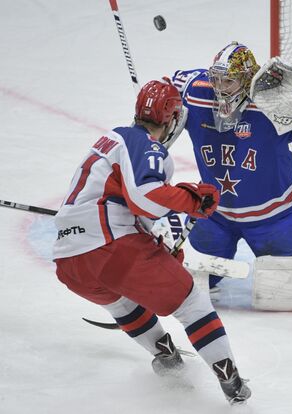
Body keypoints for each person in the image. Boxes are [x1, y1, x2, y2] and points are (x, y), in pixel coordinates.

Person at [52, 79, 251, 405]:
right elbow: (146, 199)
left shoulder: (110, 140)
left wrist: (159, 248)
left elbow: (134, 209)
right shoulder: (144, 144)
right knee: (192, 304)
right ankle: (229, 376)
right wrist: (190, 199)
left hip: (69, 261)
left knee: (121, 302)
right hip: (110, 247)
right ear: (171, 119)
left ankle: (167, 358)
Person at [170, 41, 292, 289]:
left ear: (248, 78)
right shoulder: (197, 92)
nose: (220, 88)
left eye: (228, 81)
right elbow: (169, 84)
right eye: (216, 79)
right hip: (213, 214)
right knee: (194, 283)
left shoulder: (273, 103)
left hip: (275, 218)